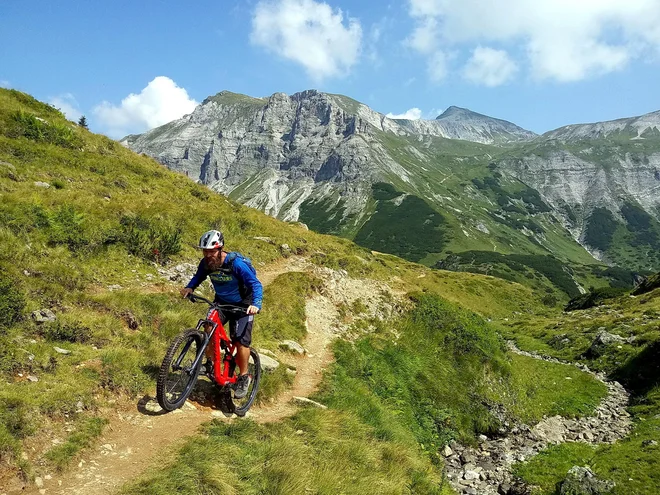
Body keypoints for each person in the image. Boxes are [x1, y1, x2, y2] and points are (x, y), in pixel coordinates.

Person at [180, 230, 263, 399]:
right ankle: (209, 364)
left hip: (243, 305)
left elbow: (256, 284)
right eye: (205, 251)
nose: (208, 255)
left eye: (212, 251)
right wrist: (190, 287)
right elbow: (198, 277)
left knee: (240, 342)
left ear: (220, 249)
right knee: (208, 325)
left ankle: (244, 377)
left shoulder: (236, 264)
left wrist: (255, 304)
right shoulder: (206, 263)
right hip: (222, 302)